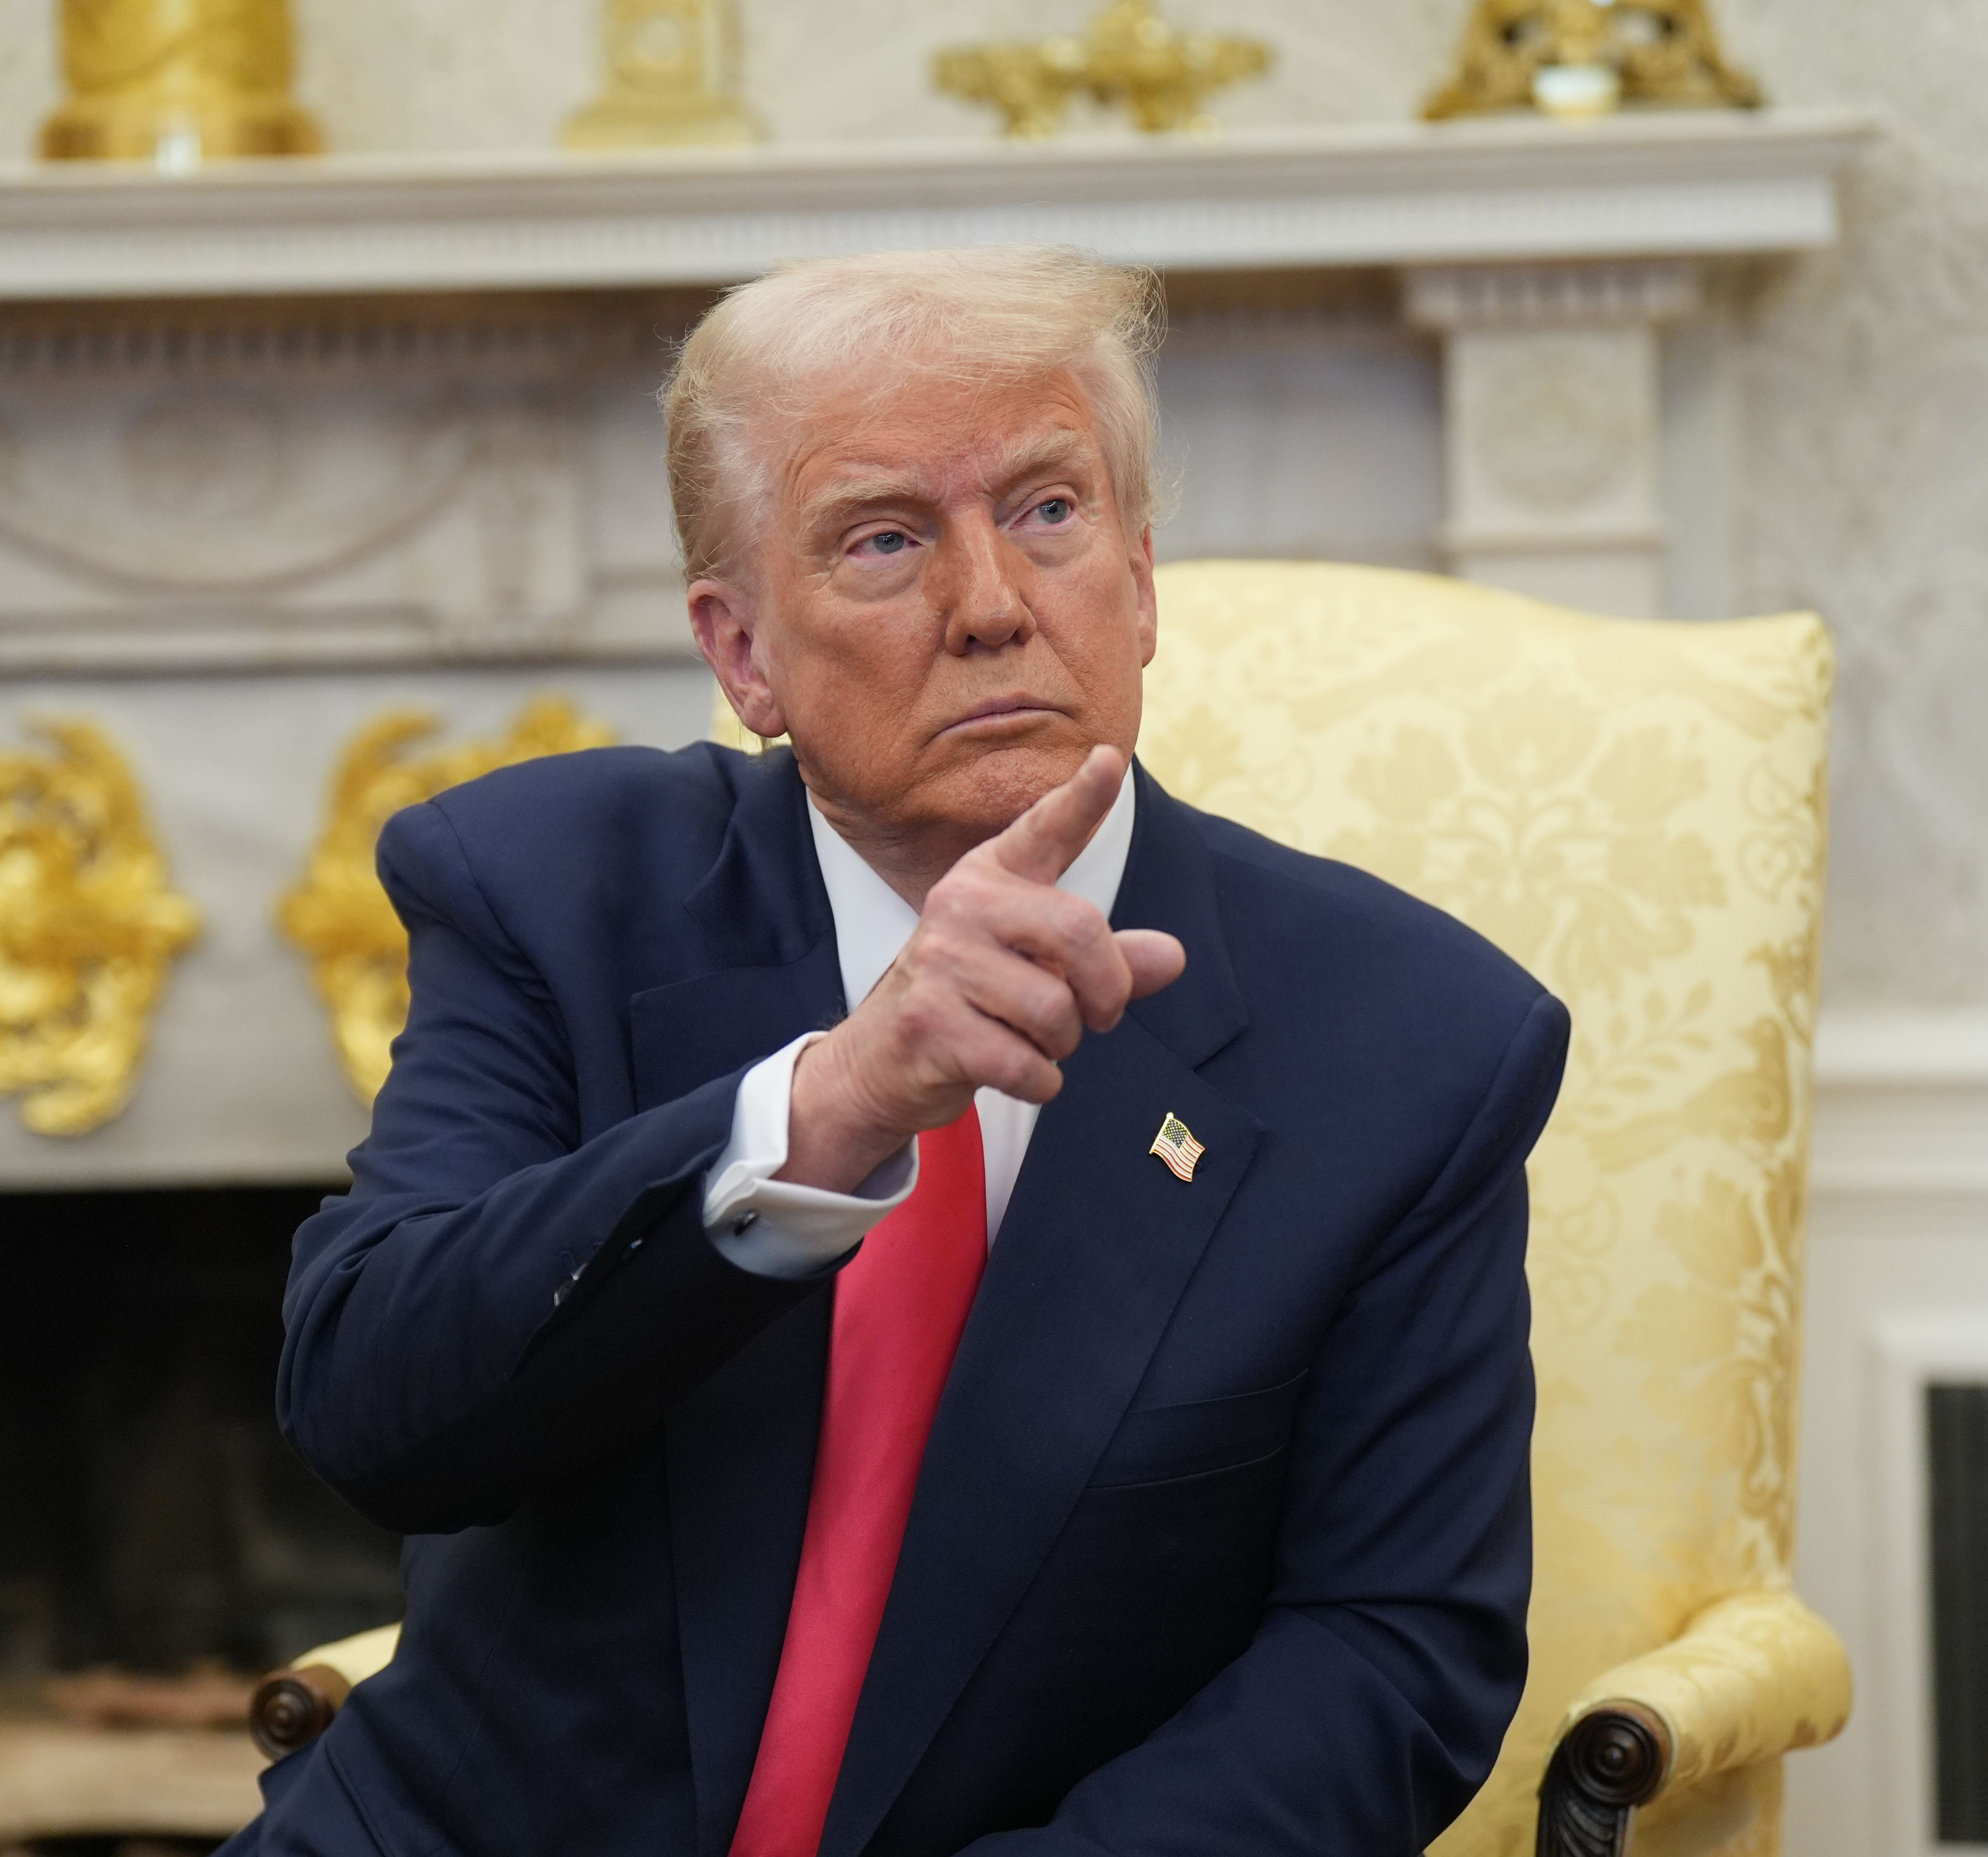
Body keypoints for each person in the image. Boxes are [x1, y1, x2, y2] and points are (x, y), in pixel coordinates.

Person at [231, 245, 1569, 1857]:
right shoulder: (550, 891)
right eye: (885, 539)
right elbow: (374, 1408)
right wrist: (831, 1108)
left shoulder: (1412, 1044)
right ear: (743, 653)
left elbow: (1390, 1656)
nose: (994, 606)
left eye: (1050, 512)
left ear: (1143, 580)